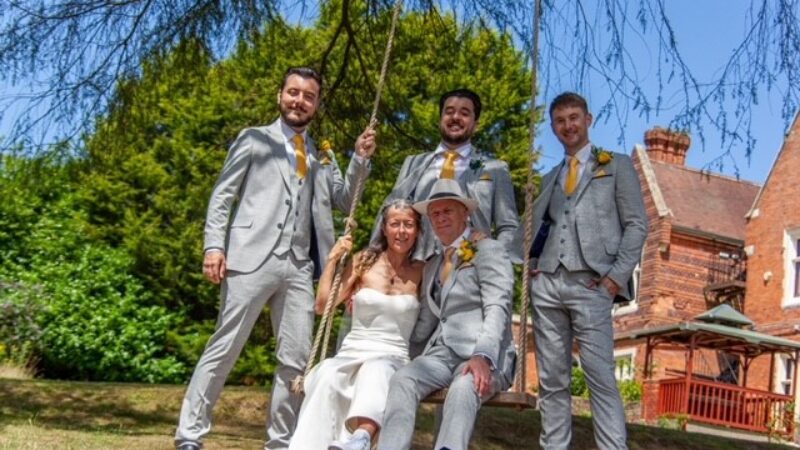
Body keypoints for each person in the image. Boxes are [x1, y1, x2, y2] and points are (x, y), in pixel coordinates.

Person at [174, 67, 376, 450]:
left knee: (296, 360)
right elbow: (222, 196)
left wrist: (360, 159)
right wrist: (214, 245)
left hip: (299, 267)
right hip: (250, 258)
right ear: (280, 96)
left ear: (317, 103)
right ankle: (190, 435)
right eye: (293, 93)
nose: (299, 101)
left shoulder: (322, 155)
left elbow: (346, 200)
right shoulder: (253, 139)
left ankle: (281, 442)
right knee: (225, 347)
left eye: (309, 96)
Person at [528, 92, 647, 450]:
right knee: (552, 380)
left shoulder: (616, 165)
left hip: (592, 285)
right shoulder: (549, 177)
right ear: (553, 127)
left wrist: (615, 278)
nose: (568, 126)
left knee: (599, 377)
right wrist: (532, 266)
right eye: (560, 121)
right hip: (547, 284)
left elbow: (637, 225)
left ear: (588, 119)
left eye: (574, 118)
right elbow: (532, 229)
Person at [376, 178, 516, 450]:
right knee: (403, 378)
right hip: (440, 356)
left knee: (465, 386)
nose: (440, 218)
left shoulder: (488, 250)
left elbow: (497, 307)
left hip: (484, 355)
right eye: (434, 213)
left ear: (465, 213)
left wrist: (483, 355)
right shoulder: (433, 265)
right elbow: (426, 322)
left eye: (447, 211)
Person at [288, 199, 424, 450]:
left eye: (409, 225)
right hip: (352, 350)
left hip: (393, 355)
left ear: (417, 230)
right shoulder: (364, 261)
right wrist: (331, 261)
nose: (402, 231)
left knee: (377, 370)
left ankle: (358, 440)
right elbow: (322, 306)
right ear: (384, 229)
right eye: (395, 224)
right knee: (327, 374)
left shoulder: (422, 271)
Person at [382, 88, 521, 262]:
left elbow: (508, 226)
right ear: (440, 119)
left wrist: (495, 259)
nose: (455, 117)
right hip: (417, 268)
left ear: (476, 123)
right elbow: (392, 213)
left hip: (472, 269)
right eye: (449, 112)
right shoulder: (413, 163)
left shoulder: (496, 169)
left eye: (464, 113)